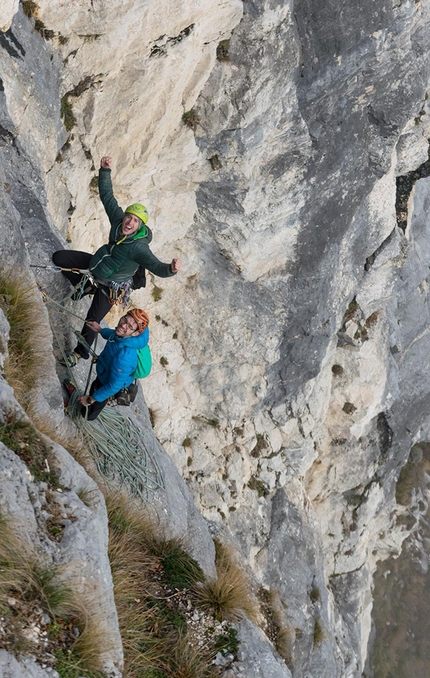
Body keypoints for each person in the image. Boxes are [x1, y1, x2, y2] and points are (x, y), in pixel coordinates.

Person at [53, 155, 181, 366]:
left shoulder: (139, 248)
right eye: (129, 217)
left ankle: (79, 354)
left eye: (135, 221)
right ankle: (84, 287)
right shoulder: (118, 220)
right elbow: (107, 197)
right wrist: (105, 171)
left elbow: (158, 268)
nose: (129, 222)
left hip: (110, 286)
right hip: (94, 266)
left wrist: (172, 269)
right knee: (60, 258)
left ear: (140, 227)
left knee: (92, 321)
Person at [77, 308, 149, 421]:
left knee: (96, 402)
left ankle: (84, 417)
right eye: (125, 320)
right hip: (105, 373)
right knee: (94, 387)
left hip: (109, 381)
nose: (123, 325)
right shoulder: (124, 337)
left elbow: (113, 386)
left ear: (136, 333)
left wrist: (90, 399)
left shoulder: (125, 357)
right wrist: (100, 330)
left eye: (129, 326)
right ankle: (86, 405)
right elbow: (112, 335)